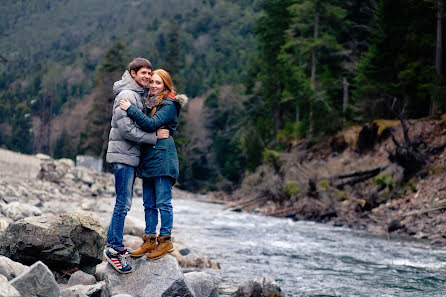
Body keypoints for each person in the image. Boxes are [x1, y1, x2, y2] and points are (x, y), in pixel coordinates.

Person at [104, 58, 170, 273]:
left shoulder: (138, 95)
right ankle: (113, 249)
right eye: (143, 72)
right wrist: (154, 137)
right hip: (123, 157)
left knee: (123, 203)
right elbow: (126, 130)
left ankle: (114, 246)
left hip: (130, 157)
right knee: (123, 204)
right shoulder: (127, 95)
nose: (148, 76)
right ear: (132, 73)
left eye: (150, 72)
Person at [119, 69, 188, 260]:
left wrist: (129, 109)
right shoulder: (149, 103)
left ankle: (165, 240)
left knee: (163, 202)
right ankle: (149, 240)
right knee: (148, 203)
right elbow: (149, 128)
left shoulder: (170, 105)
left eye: (159, 83)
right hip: (149, 157)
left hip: (163, 158)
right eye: (153, 82)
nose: (154, 86)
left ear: (166, 85)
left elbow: (150, 124)